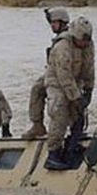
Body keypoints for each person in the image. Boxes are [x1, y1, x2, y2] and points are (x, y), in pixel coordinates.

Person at [43, 16, 95, 170]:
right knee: (59, 114)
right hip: (57, 83)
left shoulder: (87, 45)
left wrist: (88, 90)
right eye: (82, 40)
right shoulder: (62, 46)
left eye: (87, 40)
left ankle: (73, 144)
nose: (84, 44)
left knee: (78, 115)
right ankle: (53, 154)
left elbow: (89, 67)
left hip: (75, 80)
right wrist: (75, 97)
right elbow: (63, 75)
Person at [23, 7, 70, 139]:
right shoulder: (60, 38)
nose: (52, 25)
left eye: (55, 22)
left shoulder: (68, 39)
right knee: (37, 89)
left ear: (63, 22)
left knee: (58, 104)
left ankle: (64, 130)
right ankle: (37, 125)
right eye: (51, 22)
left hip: (65, 77)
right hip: (53, 74)